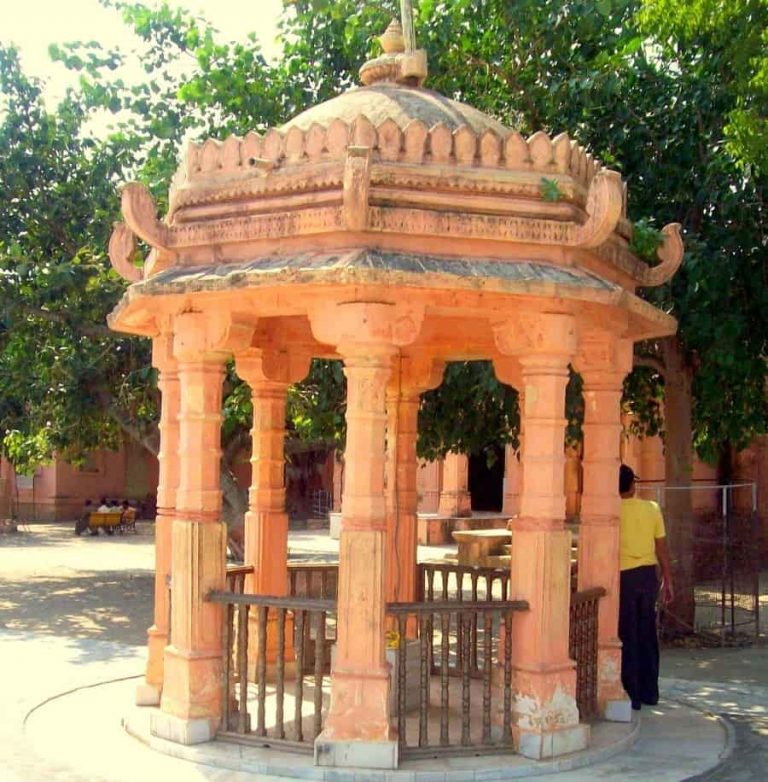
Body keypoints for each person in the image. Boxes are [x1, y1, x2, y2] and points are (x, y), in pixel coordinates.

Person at [618, 464, 674, 711]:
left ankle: (632, 694)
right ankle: (650, 692)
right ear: (633, 485)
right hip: (647, 576)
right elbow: (661, 547)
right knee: (647, 632)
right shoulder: (652, 508)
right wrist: (668, 578)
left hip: (624, 577)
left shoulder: (611, 512)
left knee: (627, 634)